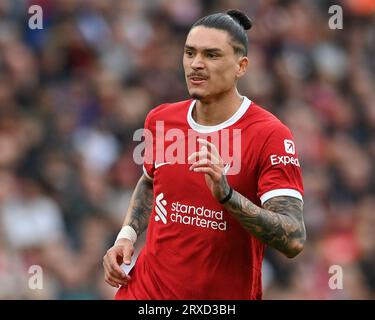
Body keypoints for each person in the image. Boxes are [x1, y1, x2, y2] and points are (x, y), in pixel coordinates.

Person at [103, 9, 306, 300]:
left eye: (211, 55)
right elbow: (150, 180)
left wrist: (227, 195)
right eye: (189, 53)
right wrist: (126, 237)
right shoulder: (161, 119)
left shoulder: (269, 135)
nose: (196, 64)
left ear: (241, 66)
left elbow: (294, 238)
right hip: (145, 294)